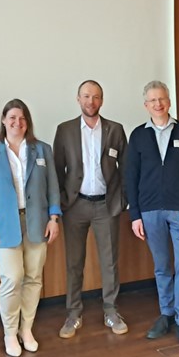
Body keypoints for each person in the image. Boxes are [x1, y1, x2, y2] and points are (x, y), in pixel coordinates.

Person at [0, 99, 62, 357]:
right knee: (12, 279)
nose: (18, 122)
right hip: (5, 225)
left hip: (37, 222)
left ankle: (27, 329)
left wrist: (54, 218)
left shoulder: (42, 150)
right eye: (12, 117)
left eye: (22, 118)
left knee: (34, 278)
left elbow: (53, 186)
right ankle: (9, 333)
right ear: (4, 120)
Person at [125, 81, 179, 348]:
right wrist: (135, 215)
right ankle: (166, 313)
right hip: (149, 212)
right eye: (152, 100)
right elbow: (130, 177)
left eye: (161, 99)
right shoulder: (138, 135)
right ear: (145, 105)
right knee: (161, 266)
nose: (157, 104)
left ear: (169, 102)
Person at [53, 80, 128, 338]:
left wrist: (122, 200)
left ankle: (111, 311)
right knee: (74, 263)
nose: (91, 101)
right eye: (86, 96)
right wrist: (61, 203)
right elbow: (56, 169)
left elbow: (126, 168)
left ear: (102, 100)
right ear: (78, 99)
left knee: (110, 262)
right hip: (75, 206)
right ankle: (73, 313)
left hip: (107, 205)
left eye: (96, 97)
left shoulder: (115, 130)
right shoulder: (65, 130)